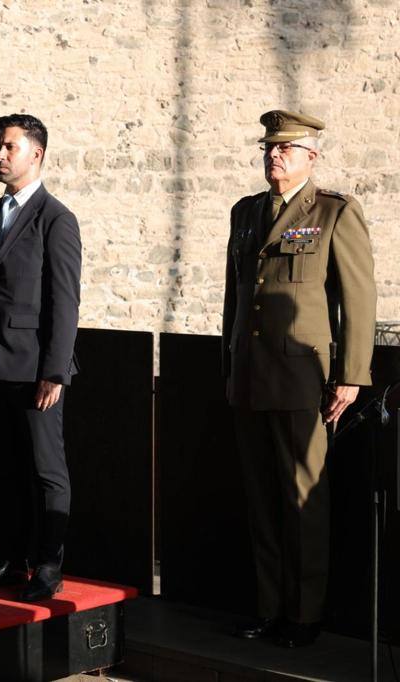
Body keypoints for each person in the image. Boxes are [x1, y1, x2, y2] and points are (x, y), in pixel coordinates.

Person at [223, 110, 376, 647]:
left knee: (303, 501)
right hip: (249, 378)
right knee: (262, 501)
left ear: (312, 156)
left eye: (286, 149)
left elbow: (357, 299)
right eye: (269, 148)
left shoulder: (333, 212)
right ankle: (269, 607)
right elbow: (235, 301)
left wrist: (351, 375)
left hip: (301, 380)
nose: (274, 156)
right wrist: (230, 365)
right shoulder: (246, 214)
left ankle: (304, 616)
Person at [0, 113, 82, 602]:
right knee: (6, 469)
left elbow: (64, 300)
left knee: (46, 471)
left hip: (35, 369)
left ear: (36, 154)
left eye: (9, 147)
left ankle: (48, 567)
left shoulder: (56, 218)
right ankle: (11, 560)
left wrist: (54, 371)